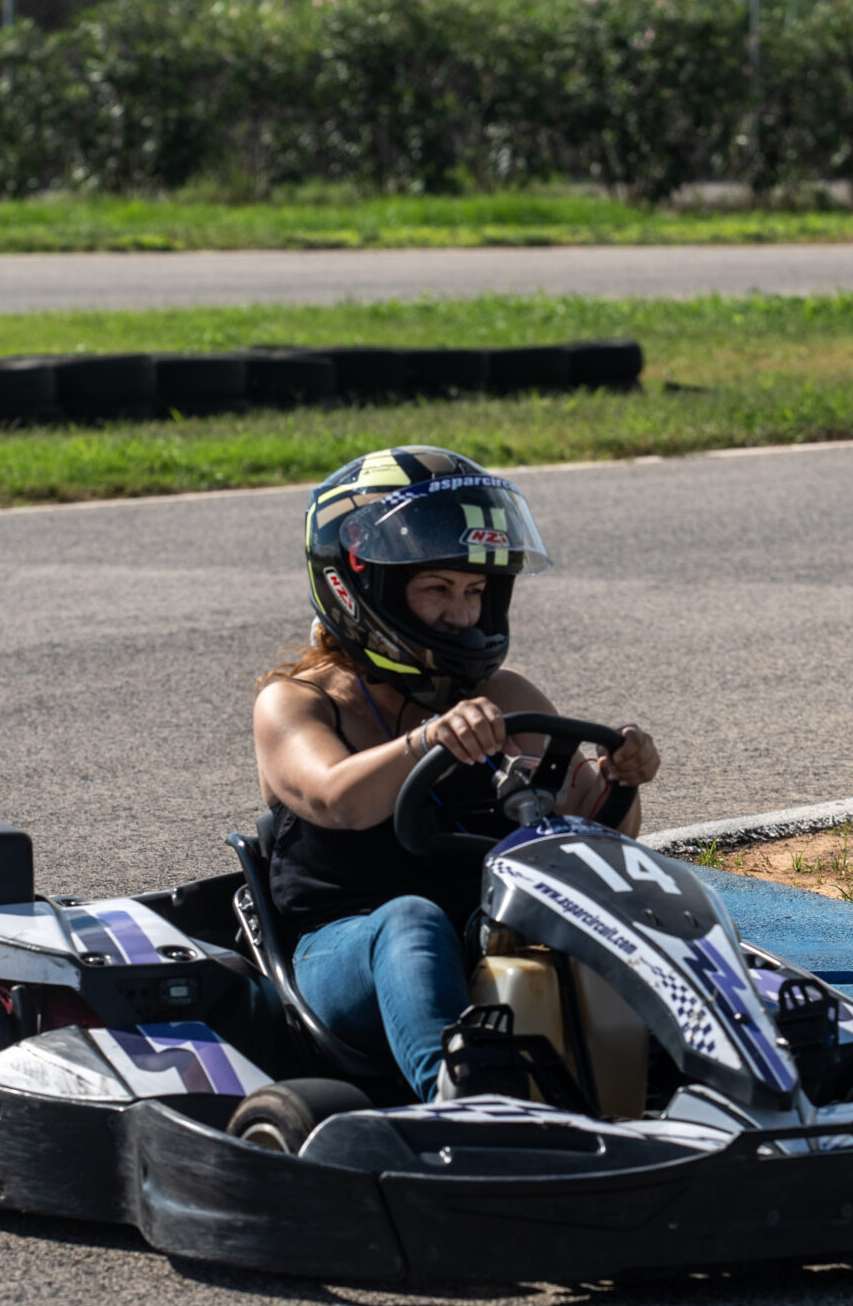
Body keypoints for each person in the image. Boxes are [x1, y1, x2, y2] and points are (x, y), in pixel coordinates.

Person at [253, 446, 659, 1101]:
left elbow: (591, 835)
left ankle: (703, 1062)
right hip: (342, 954)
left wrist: (622, 778)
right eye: (436, 590)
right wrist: (427, 739)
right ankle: (459, 1094)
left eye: (474, 592)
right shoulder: (298, 702)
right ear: (357, 589)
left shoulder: (505, 692)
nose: (461, 615)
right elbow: (337, 801)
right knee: (410, 918)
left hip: (481, 932)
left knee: (604, 902)